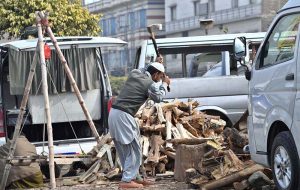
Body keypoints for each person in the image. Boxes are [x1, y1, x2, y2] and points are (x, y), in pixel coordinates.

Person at [108, 59, 170, 188]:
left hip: (114, 113)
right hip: (124, 115)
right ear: (156, 74)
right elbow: (158, 98)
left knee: (125, 150)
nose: (159, 79)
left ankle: (134, 177)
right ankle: (126, 181)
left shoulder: (134, 73)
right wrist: (165, 84)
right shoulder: (150, 85)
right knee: (134, 149)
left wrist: (156, 62)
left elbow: (146, 70)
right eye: (160, 76)